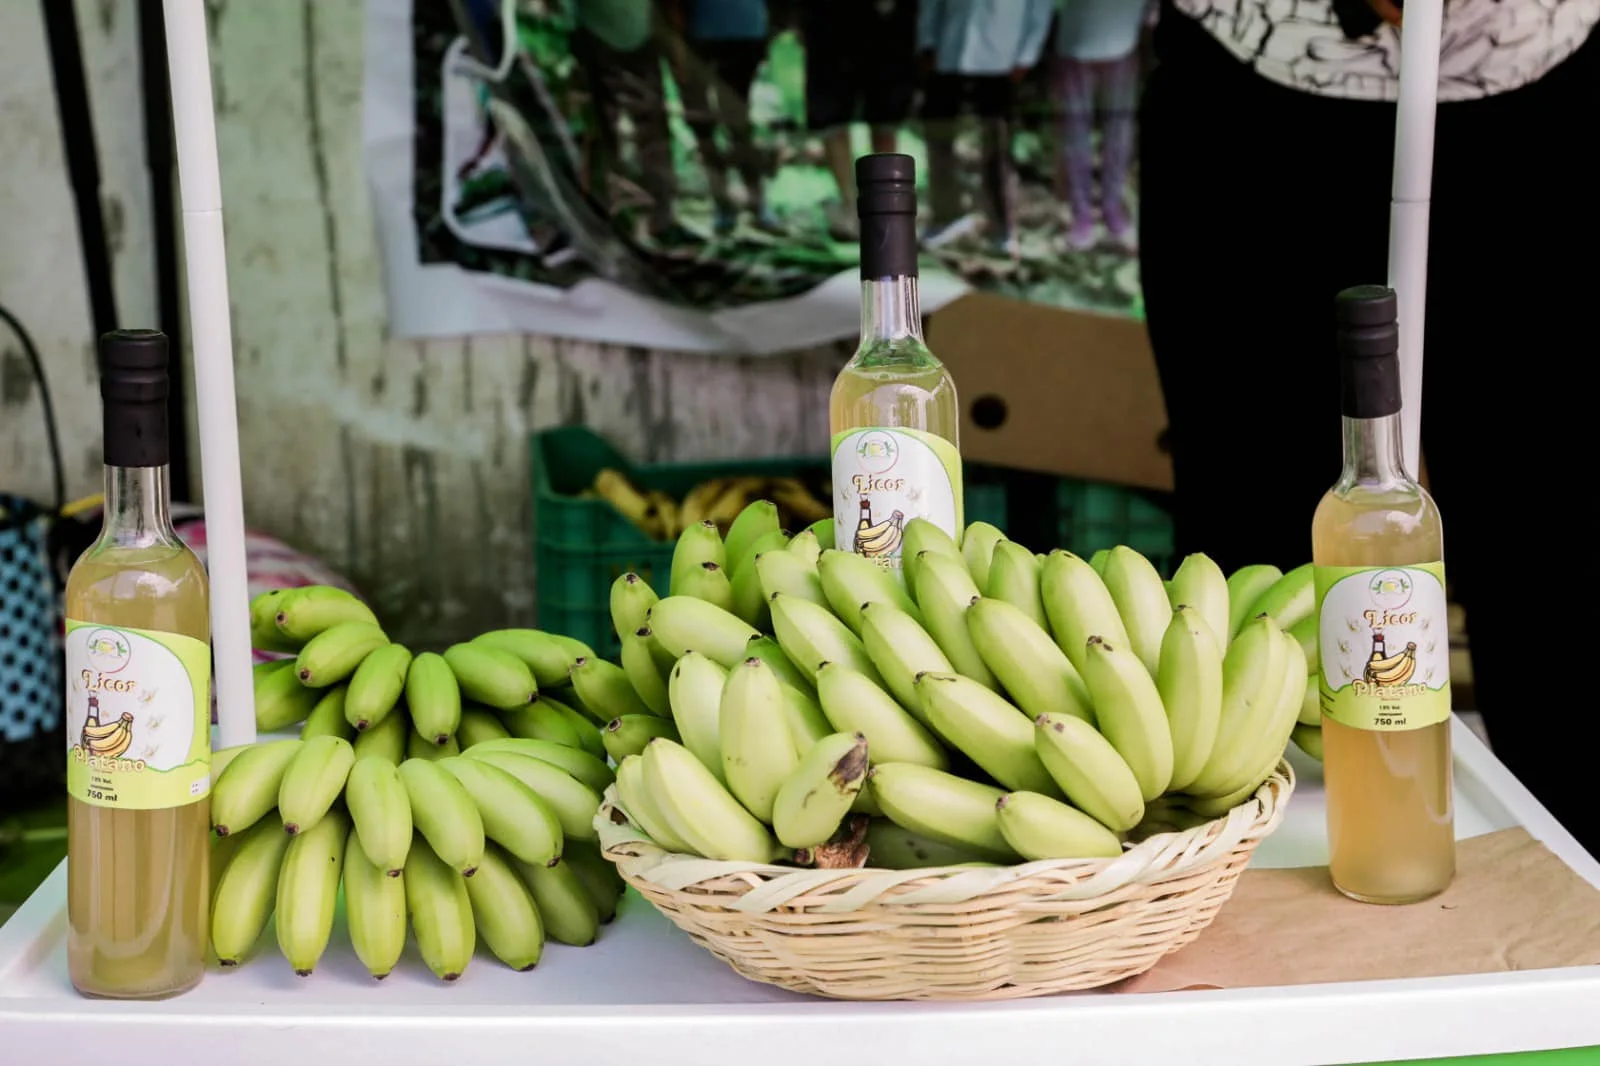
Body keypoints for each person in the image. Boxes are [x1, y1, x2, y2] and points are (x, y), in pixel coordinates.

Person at [1138, 0, 1600, 857]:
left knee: (1562, 569)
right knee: (1255, 588)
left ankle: (1575, 947)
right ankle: (1245, 913)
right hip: (1258, 92)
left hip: (1540, 81)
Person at [917, 0, 1055, 256]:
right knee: (939, 137)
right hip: (949, 49)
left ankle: (1002, 225)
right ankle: (945, 214)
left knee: (997, 144)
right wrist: (928, 41)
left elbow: (1039, 8)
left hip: (1000, 56)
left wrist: (1027, 54)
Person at [569, 0, 690, 247]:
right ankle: (614, 214)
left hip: (635, 37)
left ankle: (660, 215)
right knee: (608, 133)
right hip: (600, 38)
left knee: (647, 131)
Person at [800, 0, 921, 241]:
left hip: (887, 22)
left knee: (885, 116)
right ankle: (850, 206)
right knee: (831, 114)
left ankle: (885, 209)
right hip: (829, 20)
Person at [662, 0, 783, 236]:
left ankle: (755, 201)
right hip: (699, 38)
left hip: (743, 33)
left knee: (737, 123)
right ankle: (724, 201)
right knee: (702, 124)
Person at [1052, 0, 1153, 251]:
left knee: (1117, 132)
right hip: (1076, 45)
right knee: (1076, 135)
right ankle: (1083, 213)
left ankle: (1111, 206)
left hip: (1120, 46)